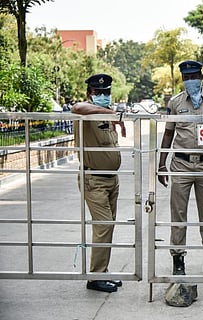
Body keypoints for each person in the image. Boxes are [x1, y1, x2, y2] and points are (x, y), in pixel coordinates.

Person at [157, 60, 203, 276]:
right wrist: (162, 163)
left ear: (201, 77)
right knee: (178, 215)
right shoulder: (175, 103)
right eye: (186, 78)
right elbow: (169, 133)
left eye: (194, 76)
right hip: (181, 164)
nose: (190, 81)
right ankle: (178, 260)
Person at [71, 73, 126, 293]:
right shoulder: (86, 111)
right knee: (103, 226)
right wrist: (110, 112)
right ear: (90, 93)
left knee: (108, 226)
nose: (104, 95)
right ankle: (95, 277)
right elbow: (77, 108)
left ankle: (101, 271)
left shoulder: (104, 116)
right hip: (94, 180)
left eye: (106, 92)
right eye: (99, 92)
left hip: (111, 179)